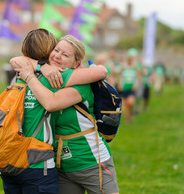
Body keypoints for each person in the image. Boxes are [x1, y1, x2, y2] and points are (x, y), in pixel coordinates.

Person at [12, 34, 118, 194]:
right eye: (56, 50)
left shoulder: (81, 83)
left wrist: (29, 76)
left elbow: (51, 103)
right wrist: (43, 67)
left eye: (65, 54)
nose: (57, 56)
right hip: (61, 165)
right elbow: (16, 60)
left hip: (91, 161)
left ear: (76, 63)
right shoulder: (47, 77)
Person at [118, 48, 141, 122]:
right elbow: (120, 76)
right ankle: (127, 118)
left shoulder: (135, 67)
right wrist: (119, 84)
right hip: (124, 87)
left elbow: (139, 77)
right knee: (125, 103)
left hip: (132, 87)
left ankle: (130, 113)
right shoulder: (123, 67)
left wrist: (137, 85)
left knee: (130, 102)